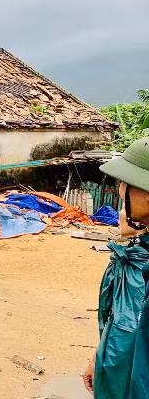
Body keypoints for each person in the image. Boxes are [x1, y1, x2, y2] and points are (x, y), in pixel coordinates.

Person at [81, 137, 149, 398]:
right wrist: (99, 360)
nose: (121, 189)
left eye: (127, 185)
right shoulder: (134, 256)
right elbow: (118, 324)